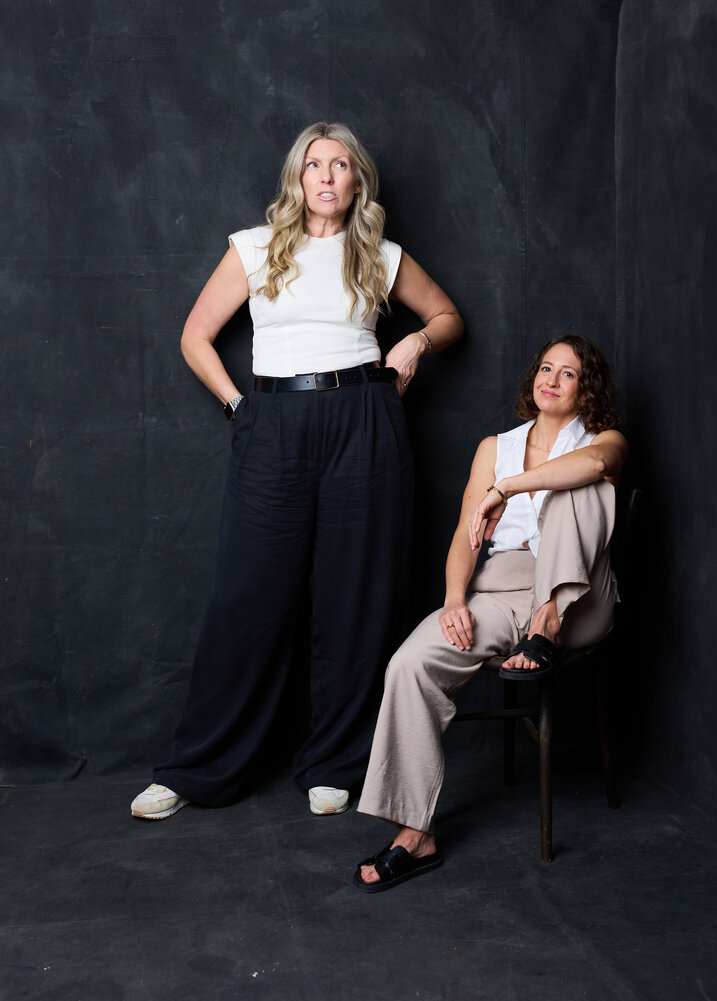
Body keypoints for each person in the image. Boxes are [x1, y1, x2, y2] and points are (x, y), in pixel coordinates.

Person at [131, 122, 463, 821]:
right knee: (247, 598)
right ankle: (196, 768)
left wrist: (413, 343)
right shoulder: (254, 247)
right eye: (316, 164)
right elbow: (195, 335)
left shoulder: (380, 254)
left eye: (342, 164)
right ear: (298, 177)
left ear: (357, 182)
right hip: (273, 420)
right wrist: (237, 407)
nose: (328, 175)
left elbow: (448, 316)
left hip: (365, 418)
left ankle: (336, 762)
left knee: (356, 597)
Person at [352, 335, 626, 891]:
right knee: (410, 665)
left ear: (586, 389)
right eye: (544, 367)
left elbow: (594, 464)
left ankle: (546, 623)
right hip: (499, 594)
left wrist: (509, 489)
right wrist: (455, 599)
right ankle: (415, 832)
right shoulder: (494, 446)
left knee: (576, 482)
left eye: (567, 373)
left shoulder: (606, 440)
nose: (550, 378)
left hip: (578, 597)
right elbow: (464, 536)